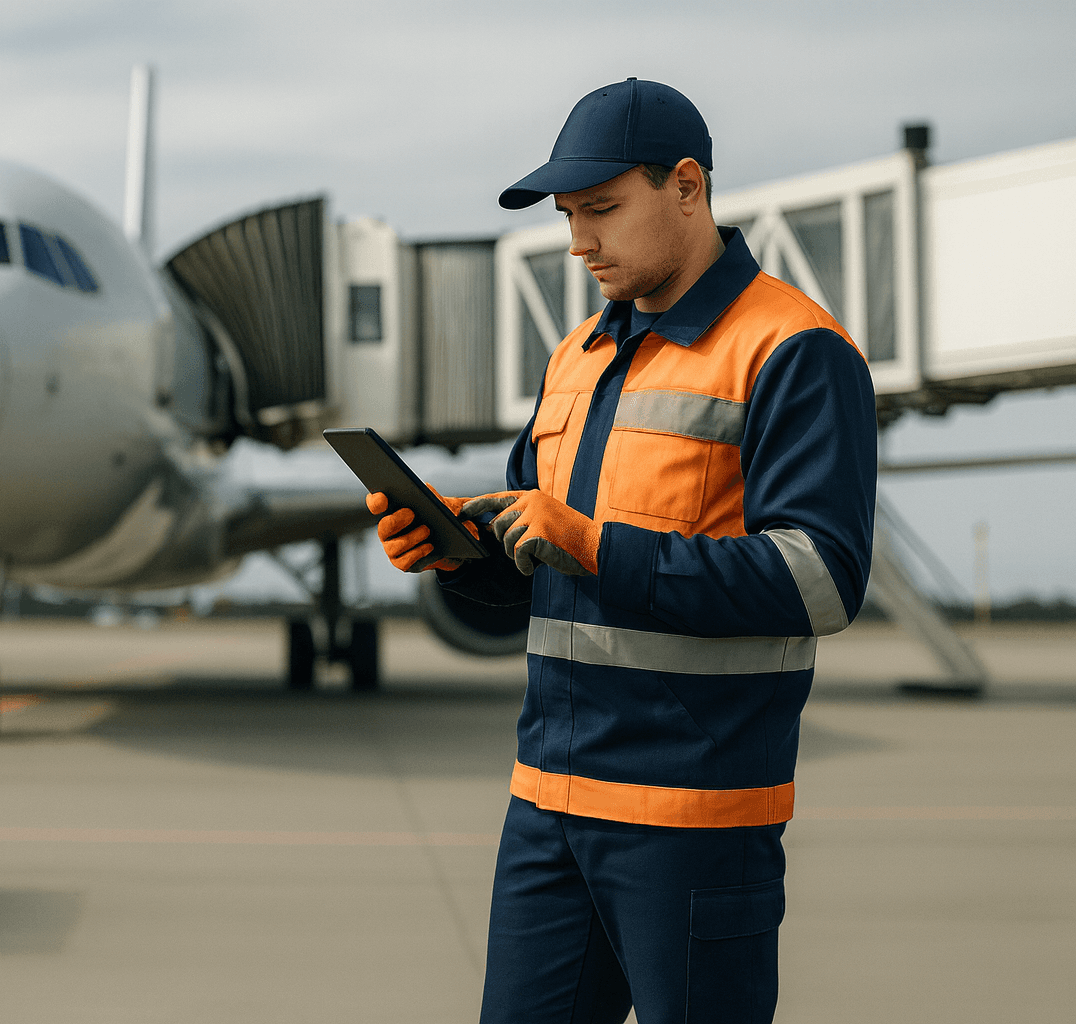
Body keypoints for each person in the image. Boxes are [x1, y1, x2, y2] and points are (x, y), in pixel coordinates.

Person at [366, 78, 877, 1024]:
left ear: (687, 187)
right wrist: (459, 551)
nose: (578, 242)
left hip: (691, 822)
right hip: (547, 808)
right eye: (568, 216)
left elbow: (821, 582)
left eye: (601, 210)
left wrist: (598, 548)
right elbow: (540, 565)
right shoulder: (578, 357)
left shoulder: (795, 349)